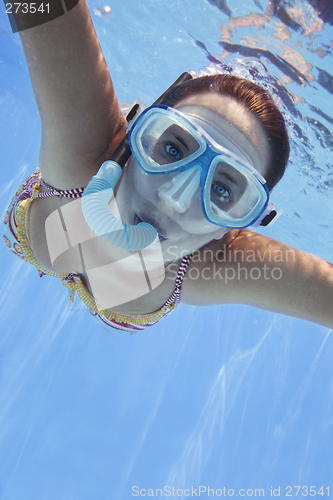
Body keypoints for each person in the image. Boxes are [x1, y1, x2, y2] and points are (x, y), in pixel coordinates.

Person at [3, 0, 333, 334]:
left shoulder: (210, 265)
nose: (174, 198)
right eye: (173, 149)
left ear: (227, 228)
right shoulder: (85, 159)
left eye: (220, 190)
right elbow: (43, 9)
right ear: (135, 138)